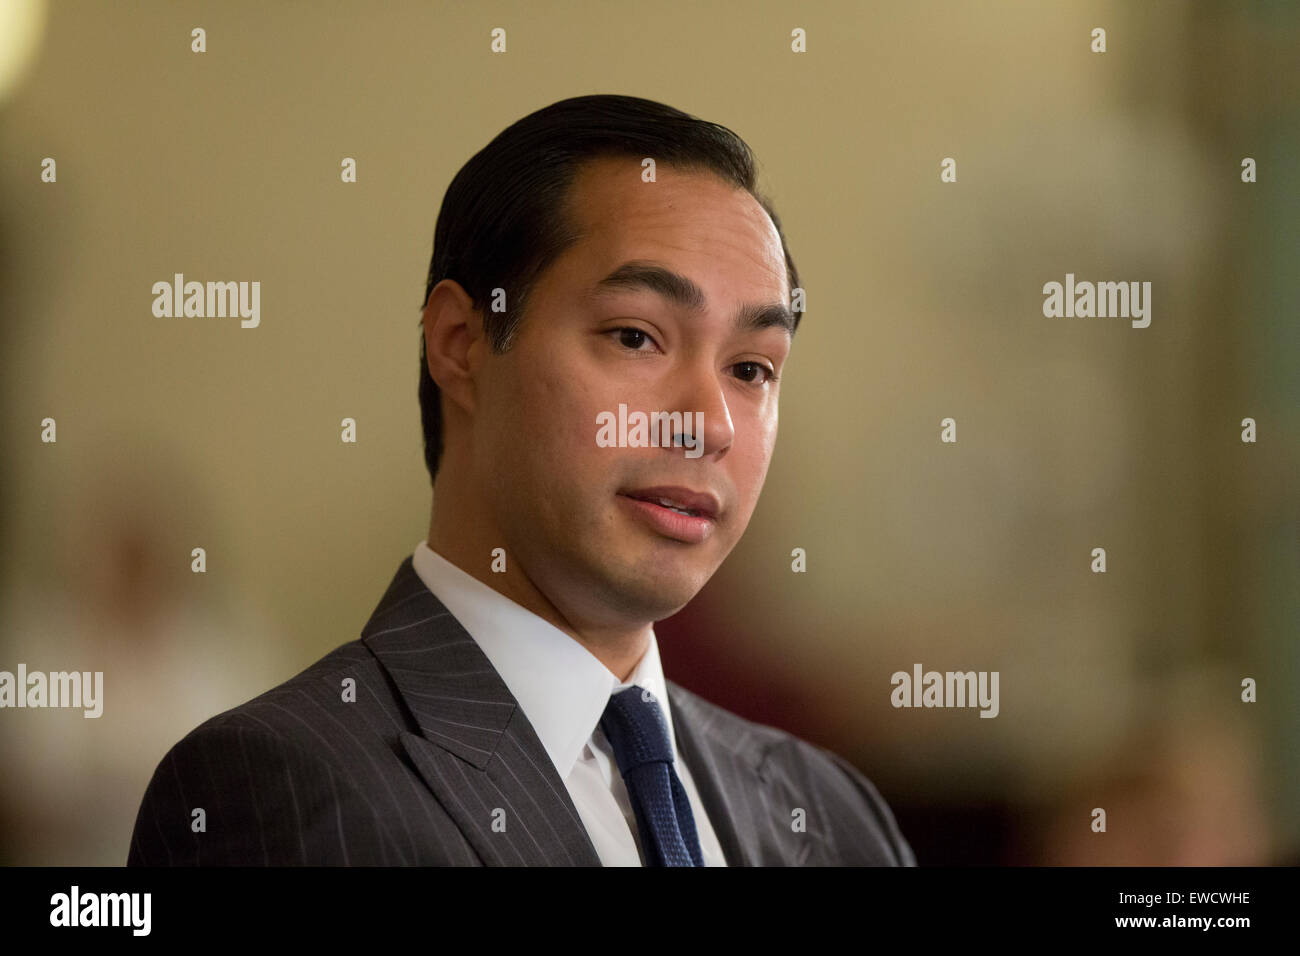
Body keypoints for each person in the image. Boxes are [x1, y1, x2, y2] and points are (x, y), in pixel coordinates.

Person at [127, 94, 915, 866]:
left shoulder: (830, 814)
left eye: (751, 368)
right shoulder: (280, 787)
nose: (708, 424)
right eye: (636, 336)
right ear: (462, 343)